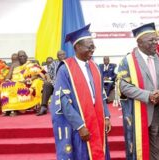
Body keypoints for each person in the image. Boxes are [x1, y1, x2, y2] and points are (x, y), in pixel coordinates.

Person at [50, 24, 111, 159]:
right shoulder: (65, 69)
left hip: (97, 120)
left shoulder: (94, 66)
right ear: (77, 47)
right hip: (79, 124)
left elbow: (101, 95)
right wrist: (80, 125)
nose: (92, 50)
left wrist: (106, 116)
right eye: (89, 47)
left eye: (93, 47)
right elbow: (63, 101)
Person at [117, 22, 159, 160]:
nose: (156, 43)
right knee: (137, 149)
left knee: (158, 146)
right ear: (140, 42)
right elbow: (124, 86)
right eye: (151, 40)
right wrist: (147, 96)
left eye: (156, 39)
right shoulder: (127, 61)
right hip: (137, 112)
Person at [0, 50, 45, 116]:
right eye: (20, 56)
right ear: (18, 58)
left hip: (25, 82)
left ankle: (15, 109)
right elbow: (9, 75)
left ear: (26, 57)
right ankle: (8, 109)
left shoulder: (30, 64)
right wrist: (7, 79)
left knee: (14, 86)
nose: (22, 57)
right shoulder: (14, 65)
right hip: (14, 82)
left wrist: (27, 80)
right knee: (4, 85)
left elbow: (37, 74)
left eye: (24, 56)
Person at [37, 50, 66, 116]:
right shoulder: (54, 63)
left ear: (65, 55)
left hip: (66, 84)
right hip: (54, 83)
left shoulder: (69, 63)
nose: (62, 56)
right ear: (57, 56)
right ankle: (43, 107)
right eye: (60, 55)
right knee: (47, 84)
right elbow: (48, 74)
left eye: (63, 54)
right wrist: (49, 79)